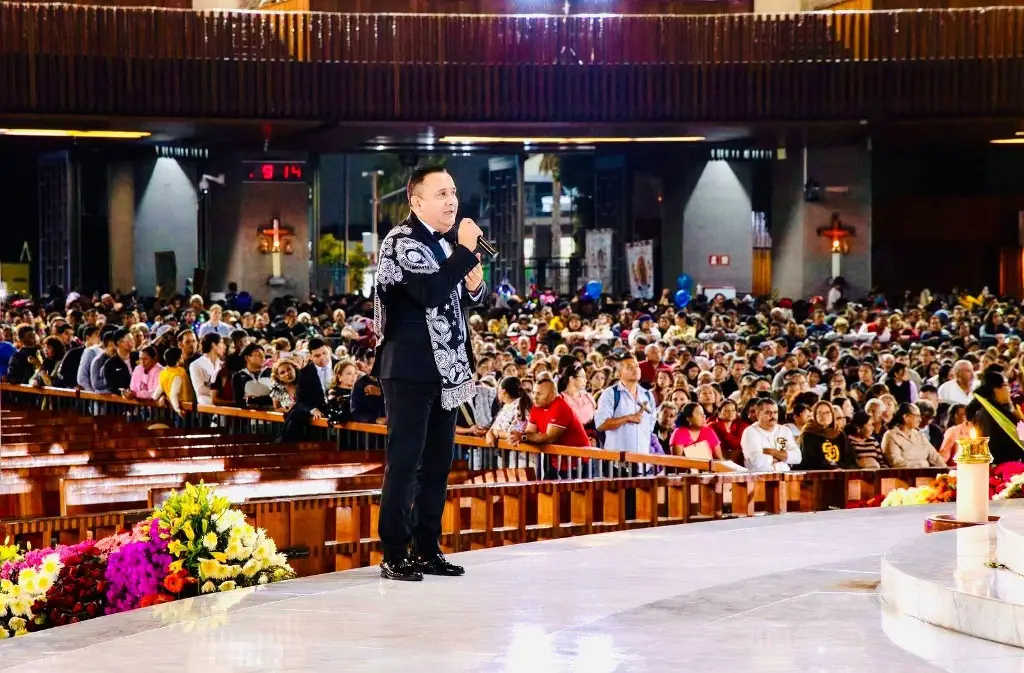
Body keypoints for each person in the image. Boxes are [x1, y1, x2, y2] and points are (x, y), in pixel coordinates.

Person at [371, 165, 487, 582]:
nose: (451, 201)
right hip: (409, 368)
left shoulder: (448, 247)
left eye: (453, 192)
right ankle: (394, 552)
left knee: (437, 465)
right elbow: (430, 292)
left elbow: (460, 297)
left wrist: (475, 283)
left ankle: (426, 547)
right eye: (440, 194)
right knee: (404, 462)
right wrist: (463, 254)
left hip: (449, 369)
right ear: (416, 202)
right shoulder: (401, 241)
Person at [740, 398, 801, 472]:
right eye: (768, 412)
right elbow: (756, 461)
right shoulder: (750, 432)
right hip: (760, 478)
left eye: (775, 412)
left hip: (785, 476)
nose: (772, 416)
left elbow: (797, 458)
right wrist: (784, 457)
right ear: (758, 414)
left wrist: (773, 452)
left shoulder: (784, 430)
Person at [797, 400, 849, 470]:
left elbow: (849, 458)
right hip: (816, 474)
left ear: (832, 414)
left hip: (841, 474)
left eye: (827, 413)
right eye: (819, 413)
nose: (824, 416)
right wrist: (832, 468)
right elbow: (810, 459)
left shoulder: (840, 434)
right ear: (815, 415)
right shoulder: (808, 434)